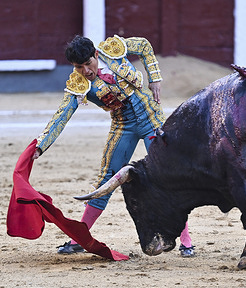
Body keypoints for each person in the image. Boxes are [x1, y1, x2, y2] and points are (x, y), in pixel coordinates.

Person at [32, 35, 195, 257]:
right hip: (123, 126)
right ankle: (77, 239)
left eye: (88, 63)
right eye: (79, 67)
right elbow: (61, 116)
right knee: (106, 180)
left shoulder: (114, 49)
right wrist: (41, 145)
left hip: (151, 120)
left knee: (169, 177)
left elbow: (145, 47)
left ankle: (186, 242)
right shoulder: (78, 84)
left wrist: (155, 78)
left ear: (96, 55)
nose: (86, 71)